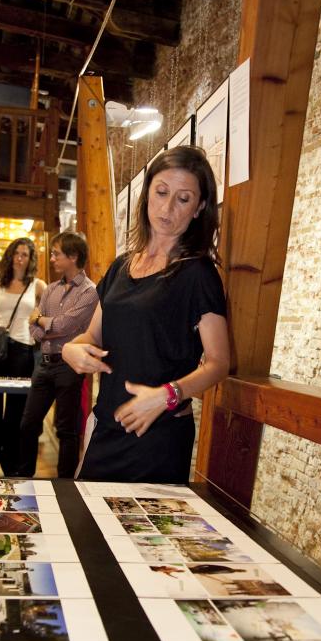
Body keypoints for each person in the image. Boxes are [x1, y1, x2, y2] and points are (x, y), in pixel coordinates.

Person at [62, 145, 229, 484]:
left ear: (199, 207)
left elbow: (219, 362)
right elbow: (93, 335)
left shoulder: (198, 273)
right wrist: (71, 349)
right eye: (161, 192)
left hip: (158, 435)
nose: (167, 208)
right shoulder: (121, 266)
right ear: (148, 193)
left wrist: (168, 395)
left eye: (183, 199)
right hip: (107, 426)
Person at [18, 232, 98, 478]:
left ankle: (65, 485)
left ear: (73, 256)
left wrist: (42, 321)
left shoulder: (89, 291)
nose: (51, 258)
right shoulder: (50, 289)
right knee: (28, 424)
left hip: (68, 366)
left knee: (67, 430)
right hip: (43, 365)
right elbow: (33, 329)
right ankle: (23, 479)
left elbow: (64, 324)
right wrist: (46, 326)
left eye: (56, 254)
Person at [0, 237, 45, 477]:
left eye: (25, 254)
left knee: (18, 408)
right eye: (16, 253)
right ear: (10, 256)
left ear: (31, 259)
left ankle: (12, 465)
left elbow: (44, 315)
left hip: (23, 348)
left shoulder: (38, 286)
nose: (20, 258)